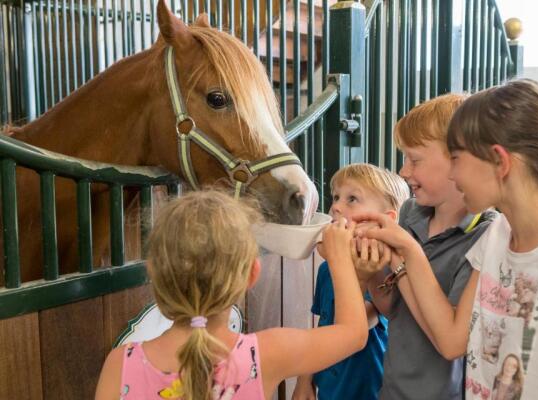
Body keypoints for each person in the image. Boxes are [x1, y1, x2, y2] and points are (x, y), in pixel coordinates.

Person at [355, 79, 538, 399]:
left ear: (499, 161)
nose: (454, 176)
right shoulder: (496, 237)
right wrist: (405, 250)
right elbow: (450, 339)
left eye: (456, 159)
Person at [95, 189, 368, 400]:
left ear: (153, 273)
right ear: (252, 273)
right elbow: (354, 332)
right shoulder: (264, 355)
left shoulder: (121, 364)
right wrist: (339, 256)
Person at [361, 94, 495, 399]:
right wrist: (369, 271)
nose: (404, 172)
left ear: (457, 159)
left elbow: (448, 340)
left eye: (414, 159)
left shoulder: (485, 236)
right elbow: (390, 307)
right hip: (393, 389)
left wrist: (404, 254)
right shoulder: (409, 212)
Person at [292, 163, 410, 400]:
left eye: (352, 199)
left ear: (384, 220)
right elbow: (324, 326)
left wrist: (348, 270)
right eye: (336, 197)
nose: (335, 206)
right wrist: (305, 379)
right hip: (329, 387)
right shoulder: (327, 269)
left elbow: (350, 332)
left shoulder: (384, 271)